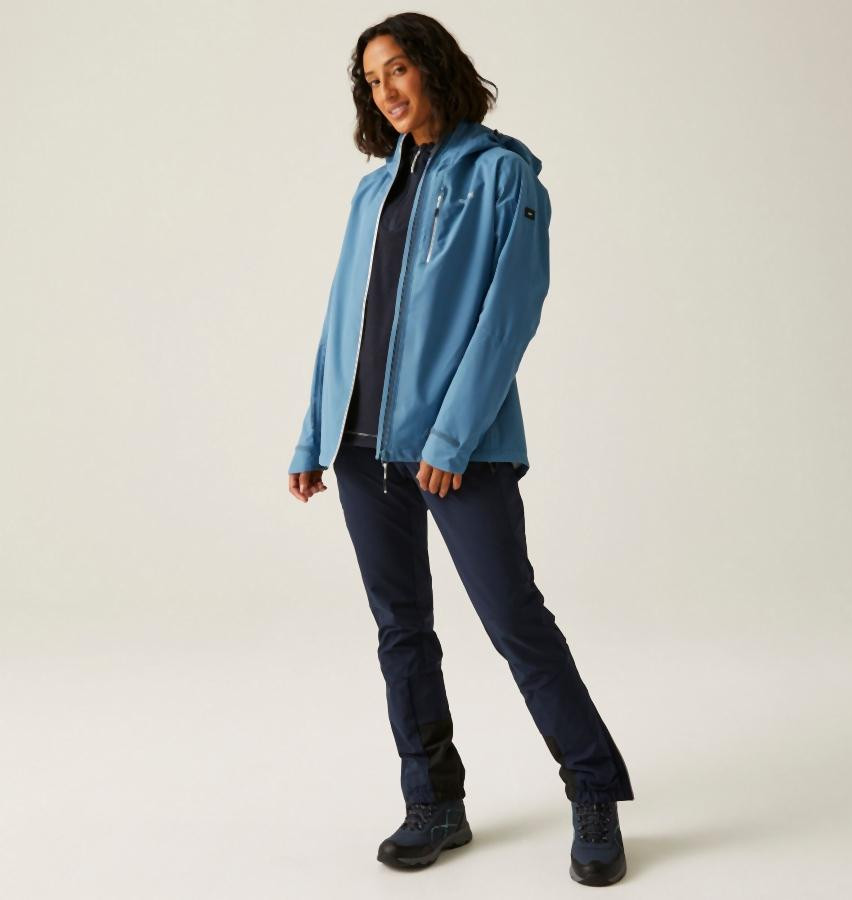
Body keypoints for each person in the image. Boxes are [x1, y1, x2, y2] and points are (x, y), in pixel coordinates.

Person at [288, 12, 634, 887]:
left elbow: (509, 317)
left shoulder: (503, 175)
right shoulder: (371, 192)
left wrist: (450, 436)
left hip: (459, 451)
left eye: (398, 70)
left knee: (515, 621)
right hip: (361, 448)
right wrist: (314, 434)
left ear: (436, 67)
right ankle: (435, 803)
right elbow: (342, 321)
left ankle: (594, 790)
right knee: (401, 630)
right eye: (372, 80)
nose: (386, 91)